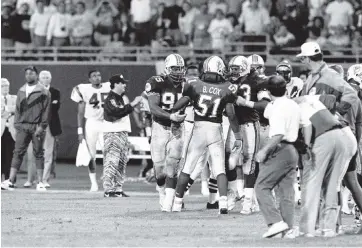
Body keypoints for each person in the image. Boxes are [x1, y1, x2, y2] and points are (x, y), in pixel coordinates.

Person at [297, 42, 362, 234]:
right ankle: (326, 225)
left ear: (308, 58)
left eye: (303, 58)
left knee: (332, 184)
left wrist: (334, 111)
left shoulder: (328, 78)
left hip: (336, 135)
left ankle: (334, 226)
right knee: (348, 183)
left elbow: (351, 97)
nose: (302, 61)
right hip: (340, 135)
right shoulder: (316, 79)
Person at [171, 55, 241, 214]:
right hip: (216, 129)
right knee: (219, 169)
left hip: (198, 129)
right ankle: (222, 203)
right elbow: (230, 113)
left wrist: (174, 113)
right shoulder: (227, 87)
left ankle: (177, 203)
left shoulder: (194, 84)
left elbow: (181, 103)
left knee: (188, 167)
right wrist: (238, 135)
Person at [237, 75, 301, 238]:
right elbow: (267, 112)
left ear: (269, 90)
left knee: (262, 187)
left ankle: (276, 222)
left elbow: (278, 134)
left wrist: (264, 151)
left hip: (280, 148)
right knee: (286, 192)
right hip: (293, 149)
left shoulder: (277, 107)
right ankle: (289, 229)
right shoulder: (292, 104)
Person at [294, 94, 355, 237]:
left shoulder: (296, 107)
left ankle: (315, 227)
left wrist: (306, 147)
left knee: (316, 184)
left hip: (332, 137)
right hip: (344, 136)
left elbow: (307, 127)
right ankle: (331, 227)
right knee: (332, 184)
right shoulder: (312, 100)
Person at [145, 53, 187, 212]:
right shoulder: (157, 82)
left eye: (180, 69)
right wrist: (171, 116)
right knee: (159, 167)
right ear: (167, 69)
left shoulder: (187, 84)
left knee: (173, 164)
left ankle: (170, 200)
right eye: (174, 69)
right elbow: (153, 108)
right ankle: (161, 191)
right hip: (160, 127)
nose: (178, 72)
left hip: (178, 128)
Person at [226, 55, 266, 214]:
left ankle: (248, 201)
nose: (233, 71)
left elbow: (264, 104)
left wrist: (246, 103)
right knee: (230, 161)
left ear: (244, 67)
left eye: (236, 68)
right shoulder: (229, 83)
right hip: (233, 125)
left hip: (250, 124)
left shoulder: (256, 81)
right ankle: (235, 192)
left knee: (250, 162)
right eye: (232, 68)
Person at [1, 66, 50, 191]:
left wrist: (42, 126)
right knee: (17, 153)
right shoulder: (21, 90)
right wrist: (17, 124)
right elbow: (17, 109)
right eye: (27, 73)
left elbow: (46, 111)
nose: (28, 75)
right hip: (23, 126)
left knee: (38, 153)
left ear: (36, 75)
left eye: (31, 73)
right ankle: (10, 181)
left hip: (37, 126)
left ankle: (40, 182)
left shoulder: (43, 91)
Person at [70, 70, 111, 191]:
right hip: (92, 123)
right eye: (94, 76)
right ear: (89, 79)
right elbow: (80, 112)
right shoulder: (83, 89)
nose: (97, 78)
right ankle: (93, 182)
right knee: (91, 155)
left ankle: (108, 180)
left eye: (99, 75)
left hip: (106, 123)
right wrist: (79, 131)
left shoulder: (109, 86)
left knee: (108, 153)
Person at [102, 74, 142, 197]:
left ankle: (118, 188)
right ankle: (108, 190)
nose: (124, 85)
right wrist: (133, 104)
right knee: (112, 161)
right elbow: (115, 113)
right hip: (113, 133)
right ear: (116, 84)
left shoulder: (121, 98)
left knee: (121, 162)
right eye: (122, 83)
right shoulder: (110, 99)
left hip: (122, 133)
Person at [1, 78, 17, 182]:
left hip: (11, 131)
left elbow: (19, 109)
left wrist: (7, 110)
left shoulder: (15, 98)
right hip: (1, 131)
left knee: (10, 157)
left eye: (7, 85)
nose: (5, 88)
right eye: (2, 86)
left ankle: (9, 180)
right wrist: (11, 110)